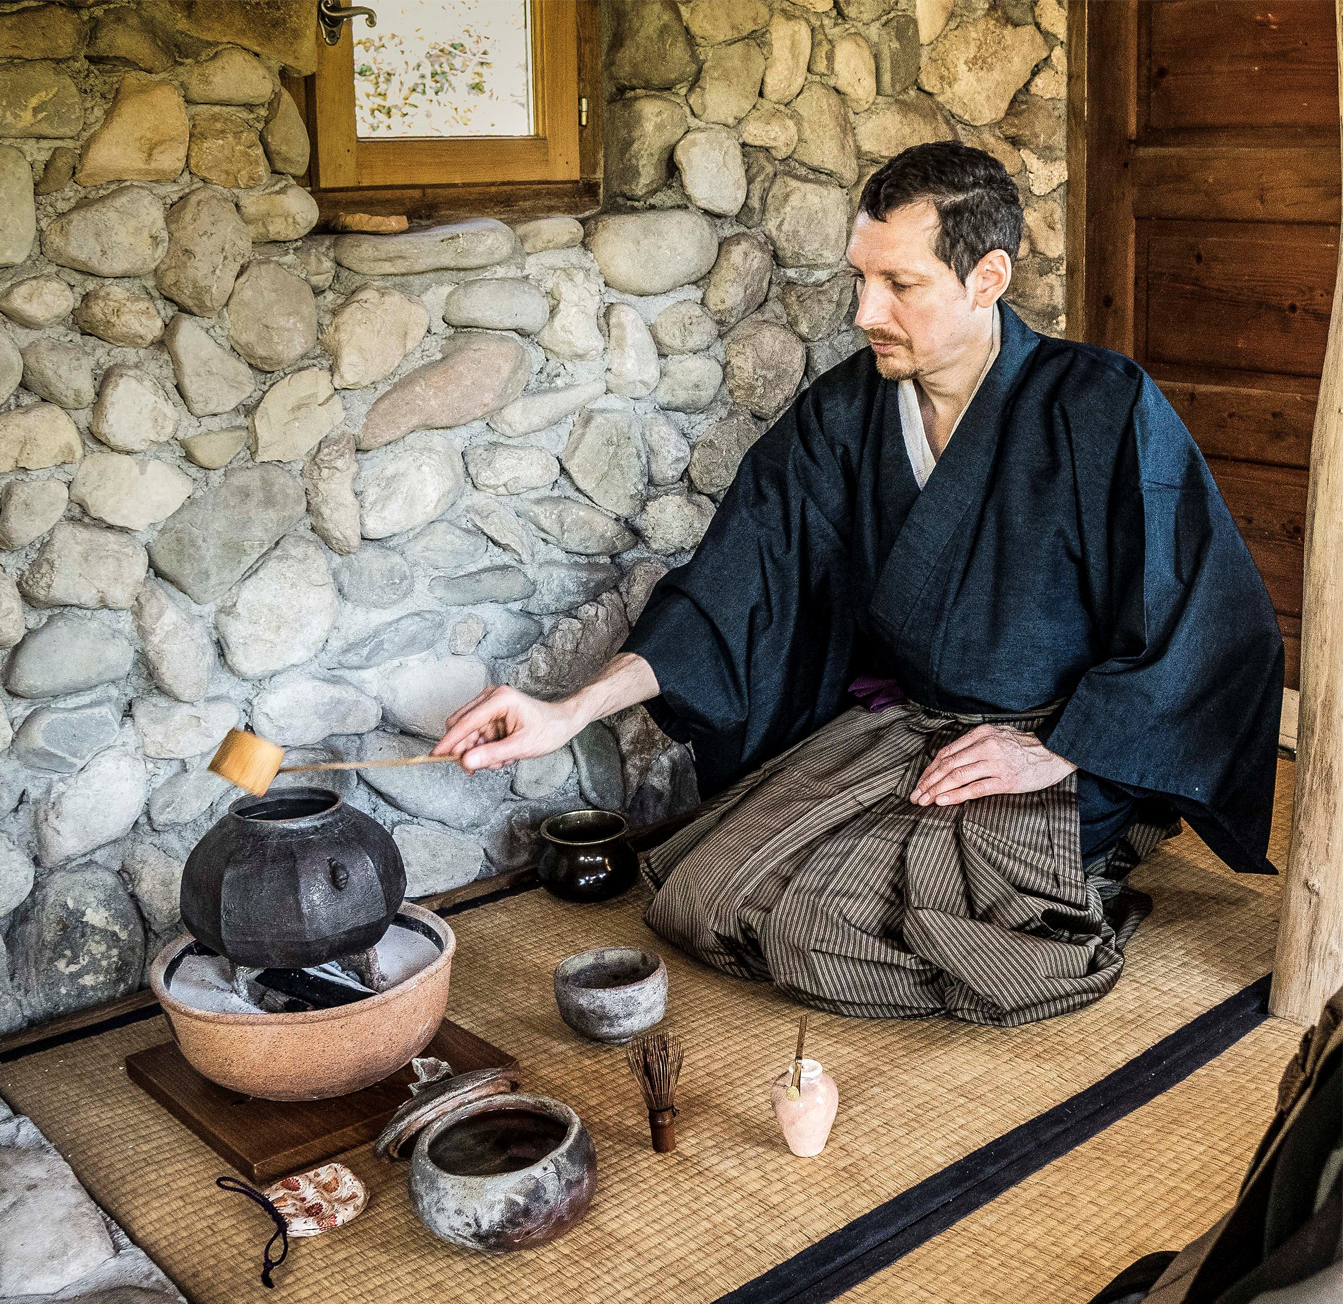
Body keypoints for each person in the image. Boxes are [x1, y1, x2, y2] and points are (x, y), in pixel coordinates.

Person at [435, 141, 1284, 1027]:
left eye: (899, 286)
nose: (864, 311)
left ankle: (1092, 881)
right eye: (859, 279)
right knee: (697, 900)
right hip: (909, 725)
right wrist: (571, 709)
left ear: (986, 278)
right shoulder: (850, 409)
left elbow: (1210, 616)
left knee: (814, 937)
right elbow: (736, 582)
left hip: (1048, 747)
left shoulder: (1099, 405)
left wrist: (1057, 749)